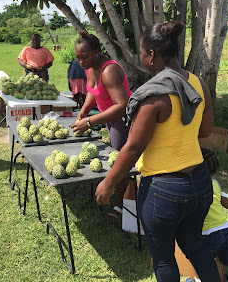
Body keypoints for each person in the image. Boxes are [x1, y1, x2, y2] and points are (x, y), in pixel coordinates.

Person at [95, 20, 221, 282]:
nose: (141, 57)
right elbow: (204, 130)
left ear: (151, 54)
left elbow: (132, 147)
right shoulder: (199, 84)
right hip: (199, 183)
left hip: (164, 191)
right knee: (195, 245)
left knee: (163, 257)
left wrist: (108, 182)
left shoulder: (153, 96)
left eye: (141, 51)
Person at [71, 30, 132, 219]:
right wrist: (84, 110)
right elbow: (93, 91)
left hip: (123, 121)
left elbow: (122, 106)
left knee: (120, 163)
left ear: (97, 50)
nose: (81, 62)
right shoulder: (91, 68)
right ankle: (120, 198)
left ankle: (123, 206)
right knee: (116, 159)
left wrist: (89, 121)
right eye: (78, 58)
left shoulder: (109, 70)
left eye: (85, 57)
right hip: (109, 120)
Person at [200, 148, 228, 282]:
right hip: (226, 229)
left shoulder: (194, 186)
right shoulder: (216, 184)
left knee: (211, 263)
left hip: (207, 233)